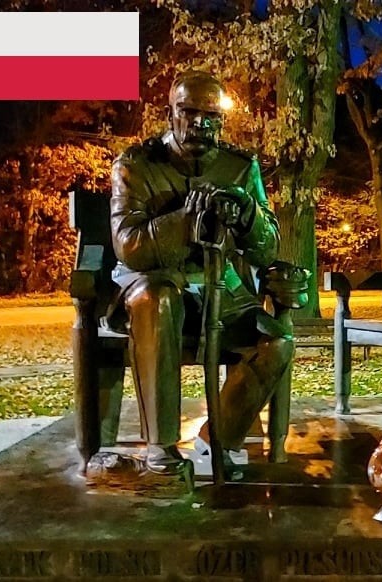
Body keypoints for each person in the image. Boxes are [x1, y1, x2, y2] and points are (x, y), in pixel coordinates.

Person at [108, 70, 292, 476]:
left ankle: (218, 440)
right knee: (160, 299)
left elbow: (267, 249)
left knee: (277, 341)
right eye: (189, 112)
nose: (200, 123)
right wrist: (185, 219)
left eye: (211, 116)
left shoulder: (239, 167)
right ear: (170, 114)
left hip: (219, 286)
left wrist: (247, 215)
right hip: (151, 284)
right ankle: (161, 447)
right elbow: (130, 246)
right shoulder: (137, 164)